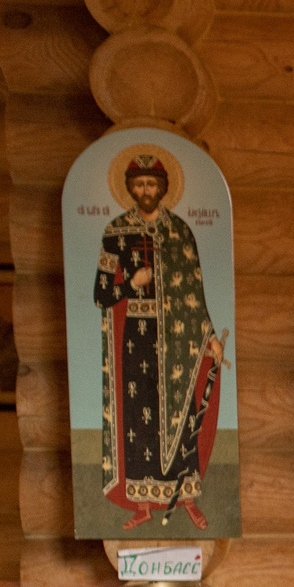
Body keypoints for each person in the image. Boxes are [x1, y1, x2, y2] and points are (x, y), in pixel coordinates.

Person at [94, 151, 226, 529]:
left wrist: (211, 338)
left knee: (183, 416)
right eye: (139, 184)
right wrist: (129, 284)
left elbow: (194, 294)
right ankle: (143, 505)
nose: (145, 190)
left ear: (163, 187)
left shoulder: (181, 232)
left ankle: (184, 497)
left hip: (179, 344)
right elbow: (101, 294)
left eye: (151, 184)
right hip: (135, 336)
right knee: (139, 419)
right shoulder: (116, 232)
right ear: (130, 188)